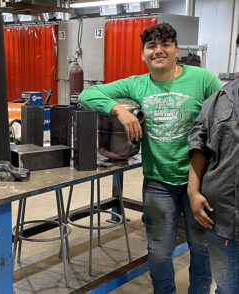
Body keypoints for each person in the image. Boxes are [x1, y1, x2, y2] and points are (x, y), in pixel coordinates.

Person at [78, 22, 221, 293]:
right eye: (151, 46)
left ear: (177, 50)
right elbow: (87, 95)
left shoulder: (203, 79)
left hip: (201, 182)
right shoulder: (136, 84)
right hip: (158, 183)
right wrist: (118, 109)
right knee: (158, 252)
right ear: (143, 54)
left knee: (202, 249)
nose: (159, 50)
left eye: (165, 44)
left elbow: (224, 114)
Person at [187, 79, 239, 294]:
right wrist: (193, 191)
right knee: (228, 288)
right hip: (224, 218)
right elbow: (199, 144)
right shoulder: (219, 100)